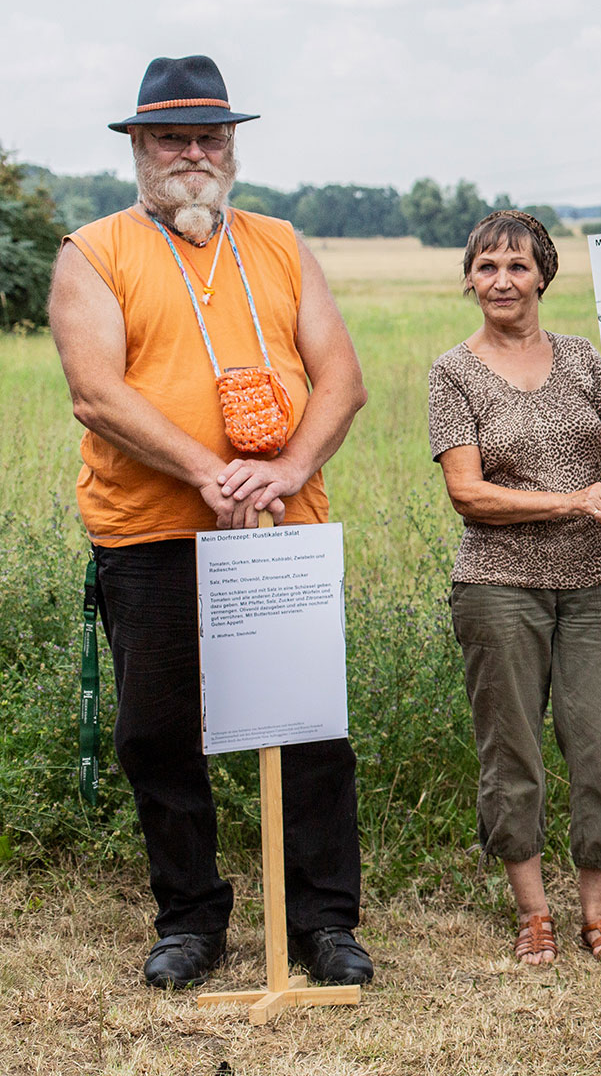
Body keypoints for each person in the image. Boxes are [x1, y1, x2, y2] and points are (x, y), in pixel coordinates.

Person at [47, 55, 372, 989]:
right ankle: (190, 921)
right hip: (148, 533)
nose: (193, 153)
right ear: (138, 147)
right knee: (158, 732)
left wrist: (288, 471)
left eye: (210, 136)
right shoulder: (94, 251)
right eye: (171, 137)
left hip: (283, 529)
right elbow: (96, 394)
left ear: (232, 145)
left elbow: (341, 380)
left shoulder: (277, 242)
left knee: (308, 730)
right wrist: (210, 474)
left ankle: (324, 926)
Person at [428, 210, 601, 966]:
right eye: (487, 267)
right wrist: (572, 499)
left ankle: (597, 916)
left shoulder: (585, 360)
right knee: (511, 752)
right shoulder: (453, 372)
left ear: (544, 275)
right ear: (469, 279)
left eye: (517, 266)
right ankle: (534, 914)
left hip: (598, 583)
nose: (501, 281)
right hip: (497, 585)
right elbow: (469, 494)